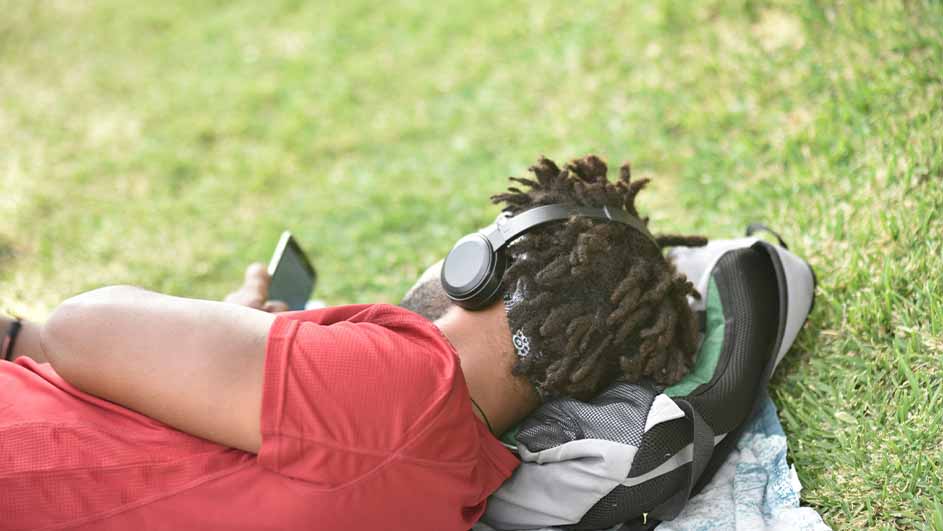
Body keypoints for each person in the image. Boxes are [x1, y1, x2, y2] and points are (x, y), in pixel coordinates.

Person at [0, 155, 704, 531]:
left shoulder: (408, 388)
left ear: (480, 265)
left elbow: (81, 328)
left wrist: (212, 322)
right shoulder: (451, 489)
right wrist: (231, 337)